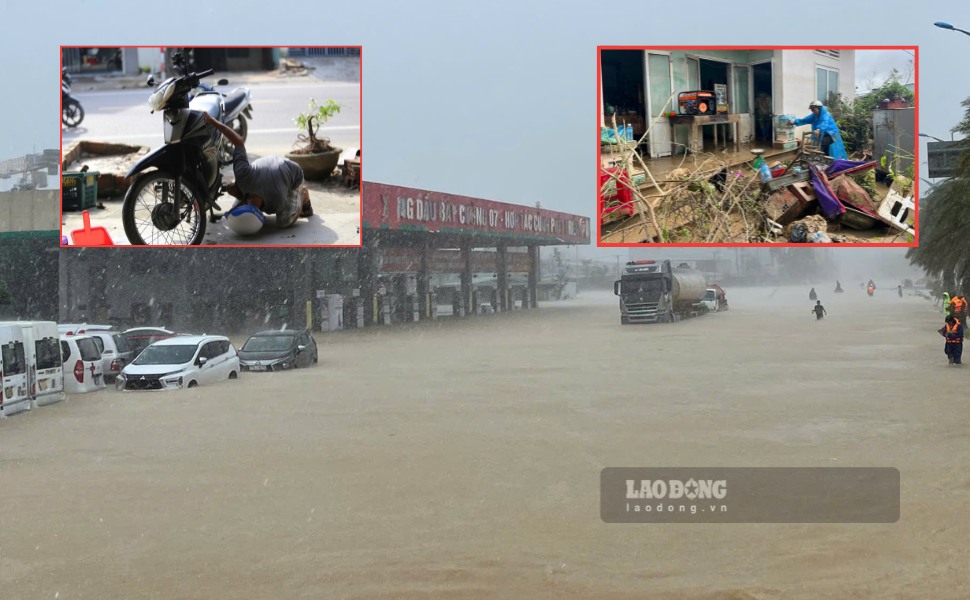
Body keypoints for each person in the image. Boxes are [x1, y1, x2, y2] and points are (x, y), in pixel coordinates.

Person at [202, 112, 313, 229]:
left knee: (284, 221)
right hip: (275, 169)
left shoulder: (276, 202)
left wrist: (213, 121)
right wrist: (212, 121)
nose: (229, 189)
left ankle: (303, 194)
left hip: (295, 176)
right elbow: (239, 142)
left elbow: (238, 141)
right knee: (236, 210)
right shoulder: (273, 199)